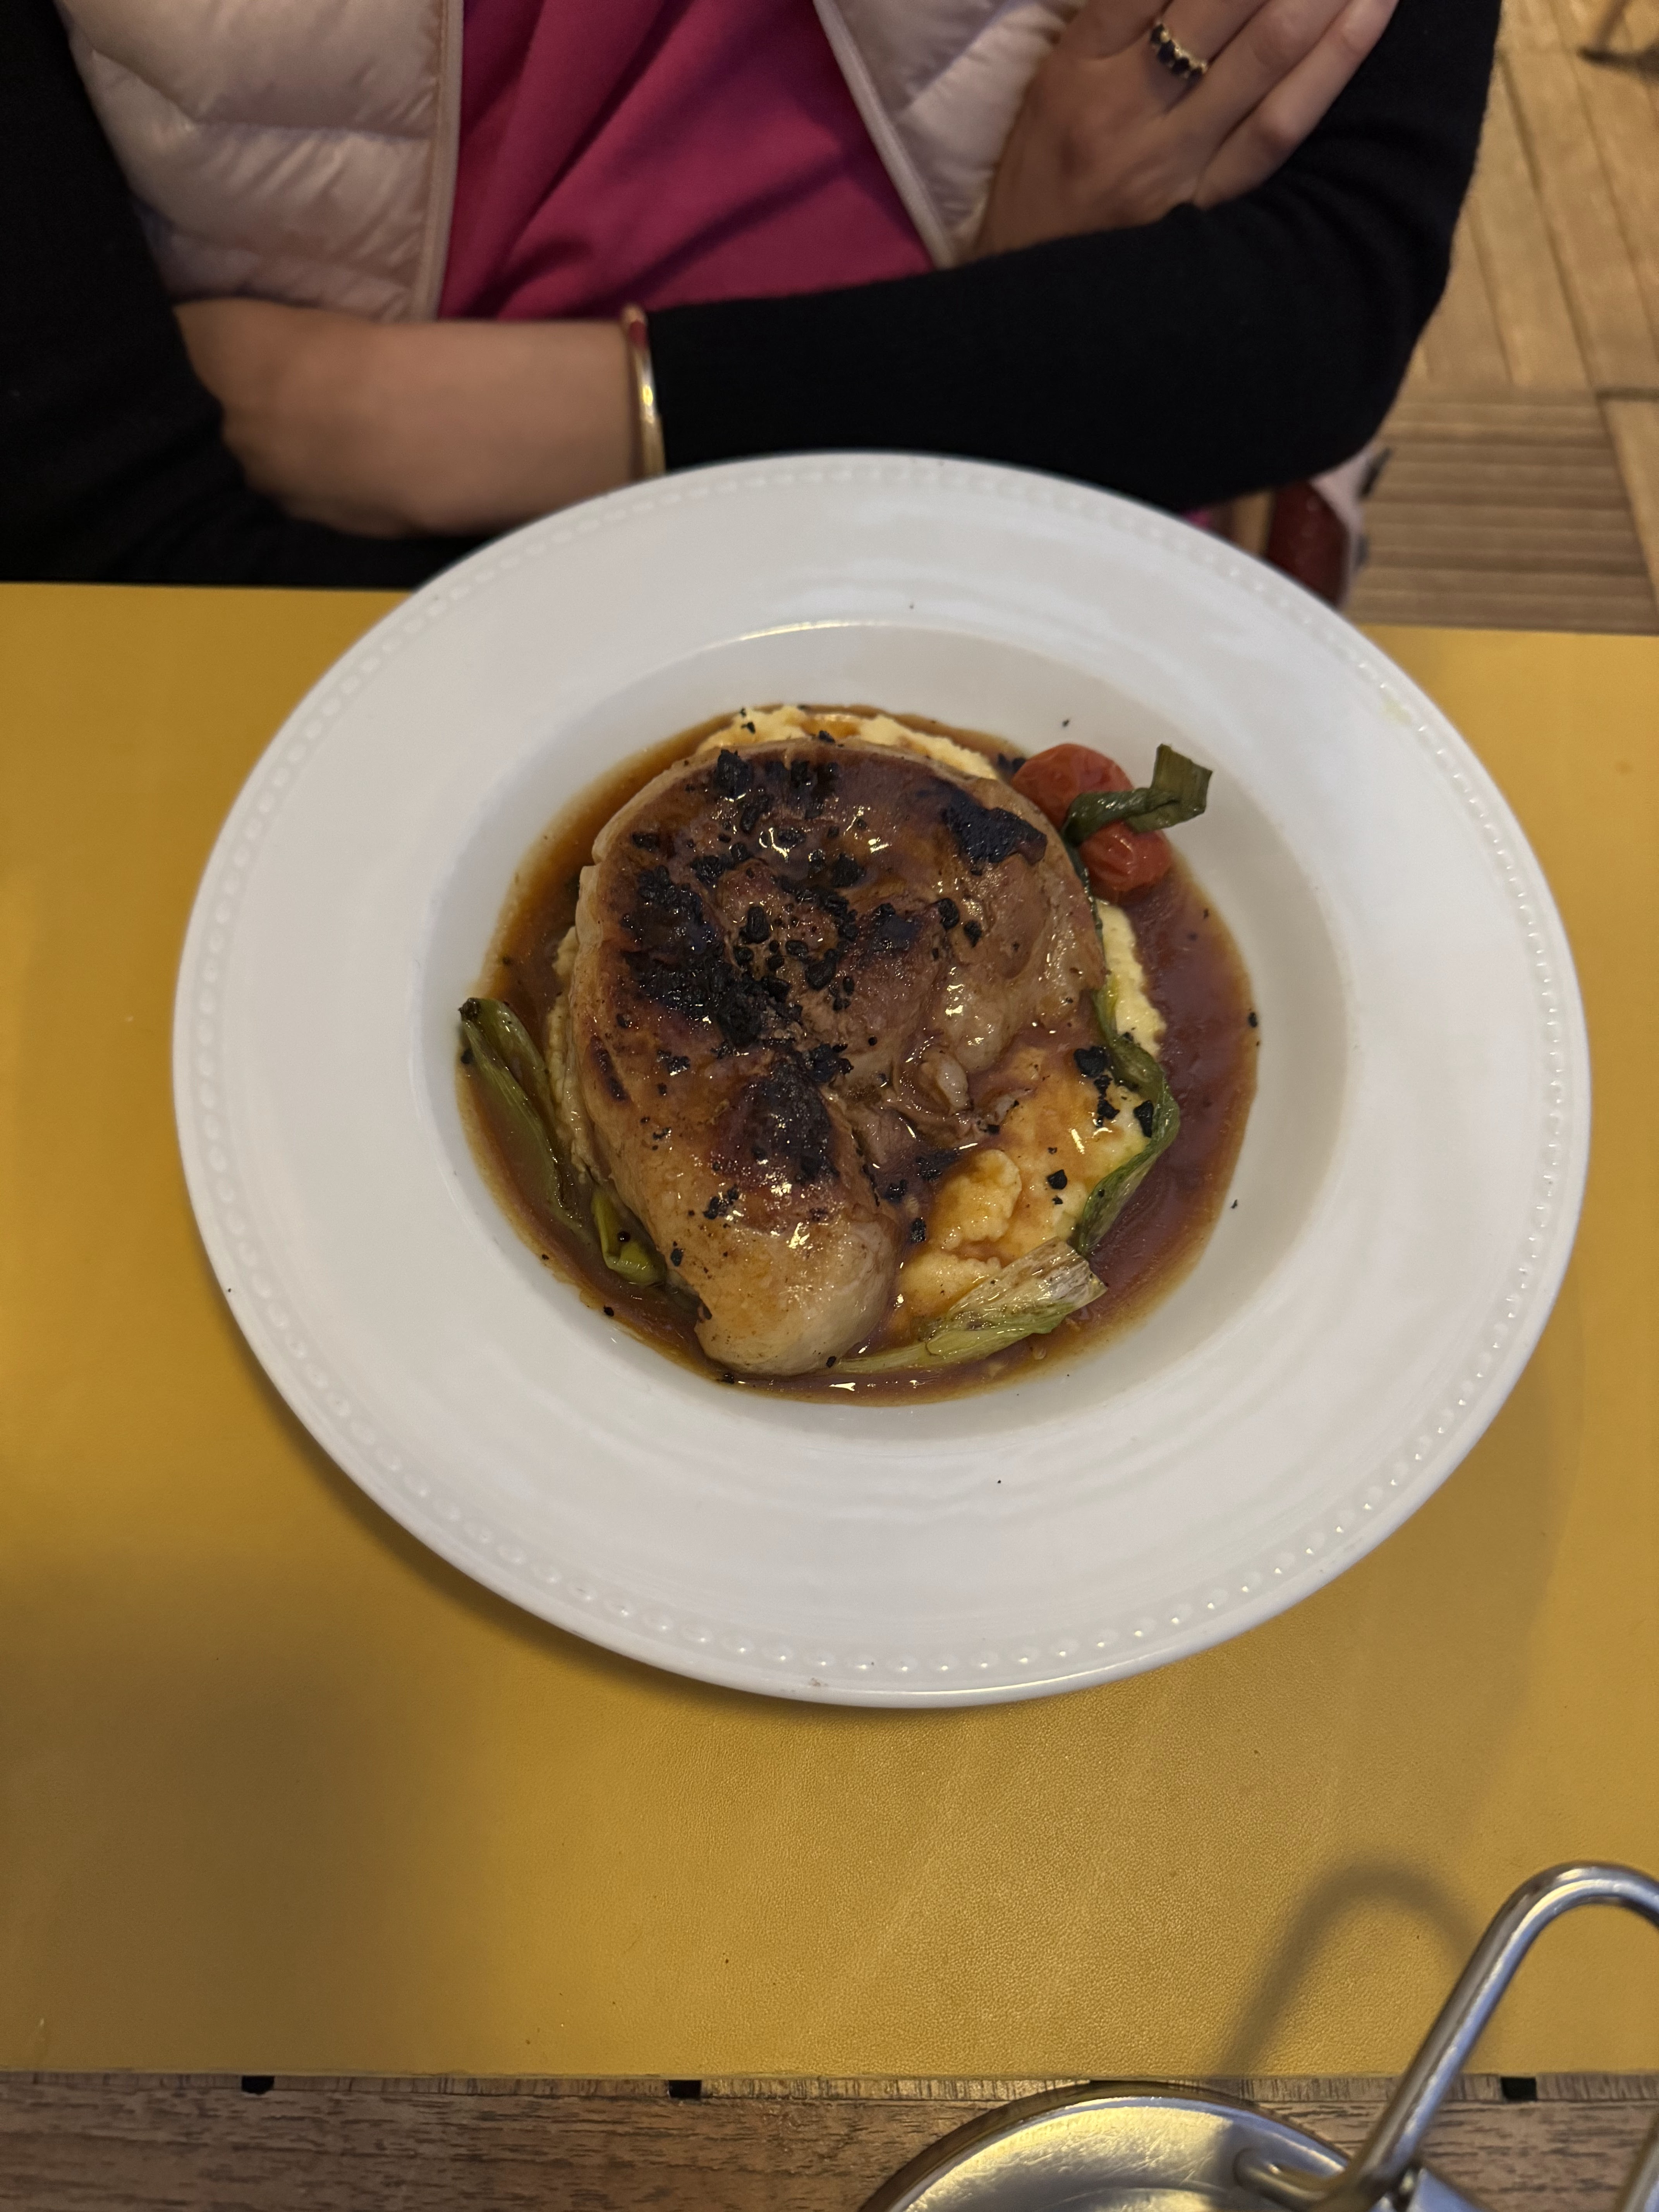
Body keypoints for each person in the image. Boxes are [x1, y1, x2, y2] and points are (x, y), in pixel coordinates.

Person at [0, 0, 1498, 588]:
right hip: (317, 603)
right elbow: (109, 516)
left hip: (1029, 562)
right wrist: (1012, 345)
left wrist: (477, 422)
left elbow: (1311, 308)